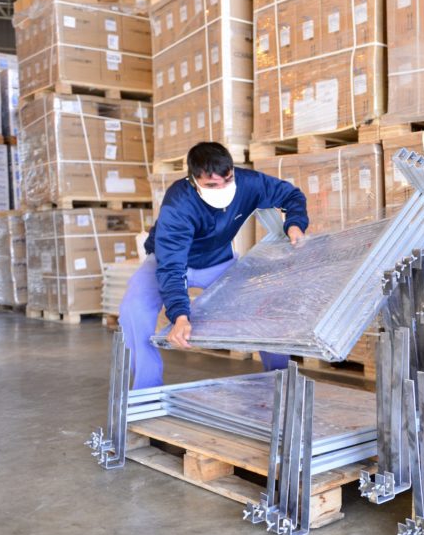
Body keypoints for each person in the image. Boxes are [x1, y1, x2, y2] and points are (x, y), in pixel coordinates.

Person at [119, 142, 309, 389]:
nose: (222, 189)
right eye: (211, 185)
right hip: (169, 261)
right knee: (134, 308)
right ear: (193, 181)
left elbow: (292, 195)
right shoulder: (178, 204)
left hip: (217, 262)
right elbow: (172, 267)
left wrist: (294, 224)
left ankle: (279, 382)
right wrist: (180, 316)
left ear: (232, 171)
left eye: (227, 180)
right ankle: (147, 388)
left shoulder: (247, 183)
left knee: (263, 304)